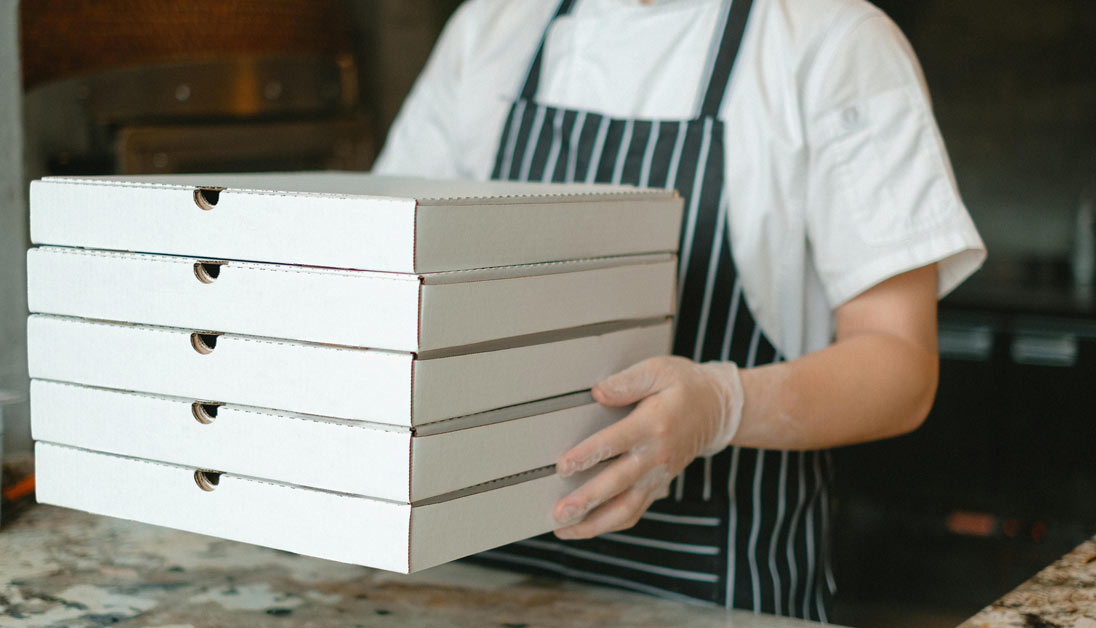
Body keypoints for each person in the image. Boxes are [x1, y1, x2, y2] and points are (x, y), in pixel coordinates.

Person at [373, 0, 986, 620]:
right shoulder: (492, 26)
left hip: (717, 583)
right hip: (472, 575)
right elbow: (385, 271)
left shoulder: (830, 41)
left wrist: (722, 406)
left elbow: (901, 368)